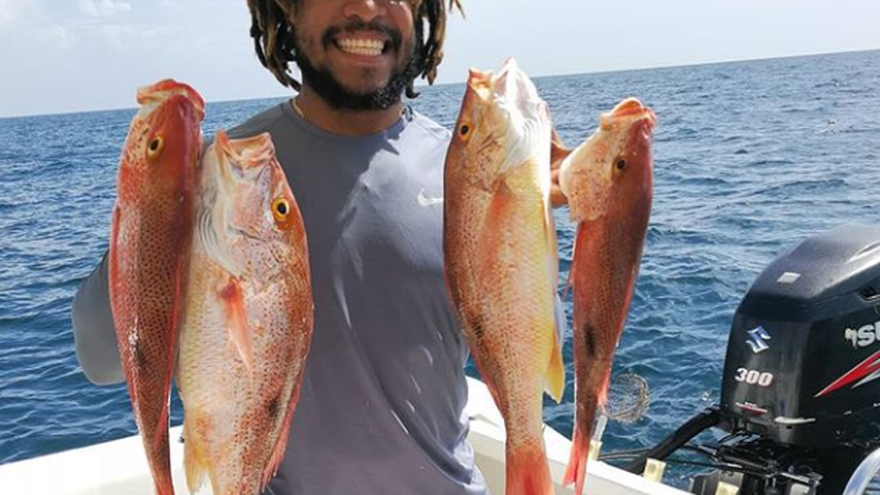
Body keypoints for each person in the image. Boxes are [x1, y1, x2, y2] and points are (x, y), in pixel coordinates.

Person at [72, 0, 568, 493]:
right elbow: (100, 355)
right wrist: (160, 207)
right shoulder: (229, 176)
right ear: (286, 8)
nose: (367, 7)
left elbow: (534, 346)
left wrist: (541, 214)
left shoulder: (466, 171)